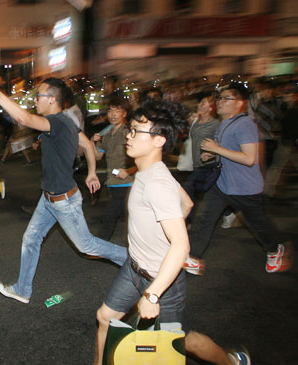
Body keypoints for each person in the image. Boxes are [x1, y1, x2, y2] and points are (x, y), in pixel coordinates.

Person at [94, 99, 250, 365]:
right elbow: (187, 204)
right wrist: (164, 228)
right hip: (134, 267)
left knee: (184, 341)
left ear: (159, 140)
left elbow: (181, 247)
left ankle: (231, 362)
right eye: (130, 130)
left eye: (136, 131)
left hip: (161, 281)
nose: (129, 136)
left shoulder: (157, 183)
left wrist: (153, 294)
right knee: (105, 318)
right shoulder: (151, 171)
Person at [0, 73, 127, 304]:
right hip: (49, 199)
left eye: (38, 95)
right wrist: (91, 172)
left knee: (86, 245)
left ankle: (135, 261)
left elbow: (24, 120)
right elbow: (89, 145)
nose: (35, 100)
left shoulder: (58, 122)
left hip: (63, 201)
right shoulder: (66, 122)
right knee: (31, 238)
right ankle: (22, 289)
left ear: (52, 99)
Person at [185, 83, 292, 275]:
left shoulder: (245, 124)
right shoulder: (224, 123)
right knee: (205, 218)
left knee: (257, 224)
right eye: (220, 98)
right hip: (222, 184)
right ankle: (193, 257)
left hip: (244, 187)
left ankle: (275, 248)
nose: (220, 102)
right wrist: (212, 155)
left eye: (227, 99)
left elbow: (249, 158)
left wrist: (216, 149)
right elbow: (228, 150)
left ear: (240, 103)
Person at [91, 96, 136, 241]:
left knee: (109, 216)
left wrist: (128, 171)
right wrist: (93, 143)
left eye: (117, 111)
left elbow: (142, 157)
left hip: (127, 183)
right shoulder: (107, 134)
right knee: (130, 218)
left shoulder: (128, 132)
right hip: (113, 182)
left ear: (124, 114)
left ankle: (99, 246)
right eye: (110, 111)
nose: (113, 114)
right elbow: (98, 156)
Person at [182, 94, 220, 222]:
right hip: (196, 162)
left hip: (209, 163)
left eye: (203, 103)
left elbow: (221, 142)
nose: (199, 105)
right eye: (200, 103)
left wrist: (212, 153)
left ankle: (188, 221)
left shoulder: (216, 124)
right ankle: (228, 212)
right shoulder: (196, 122)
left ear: (211, 108)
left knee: (189, 187)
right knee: (208, 192)